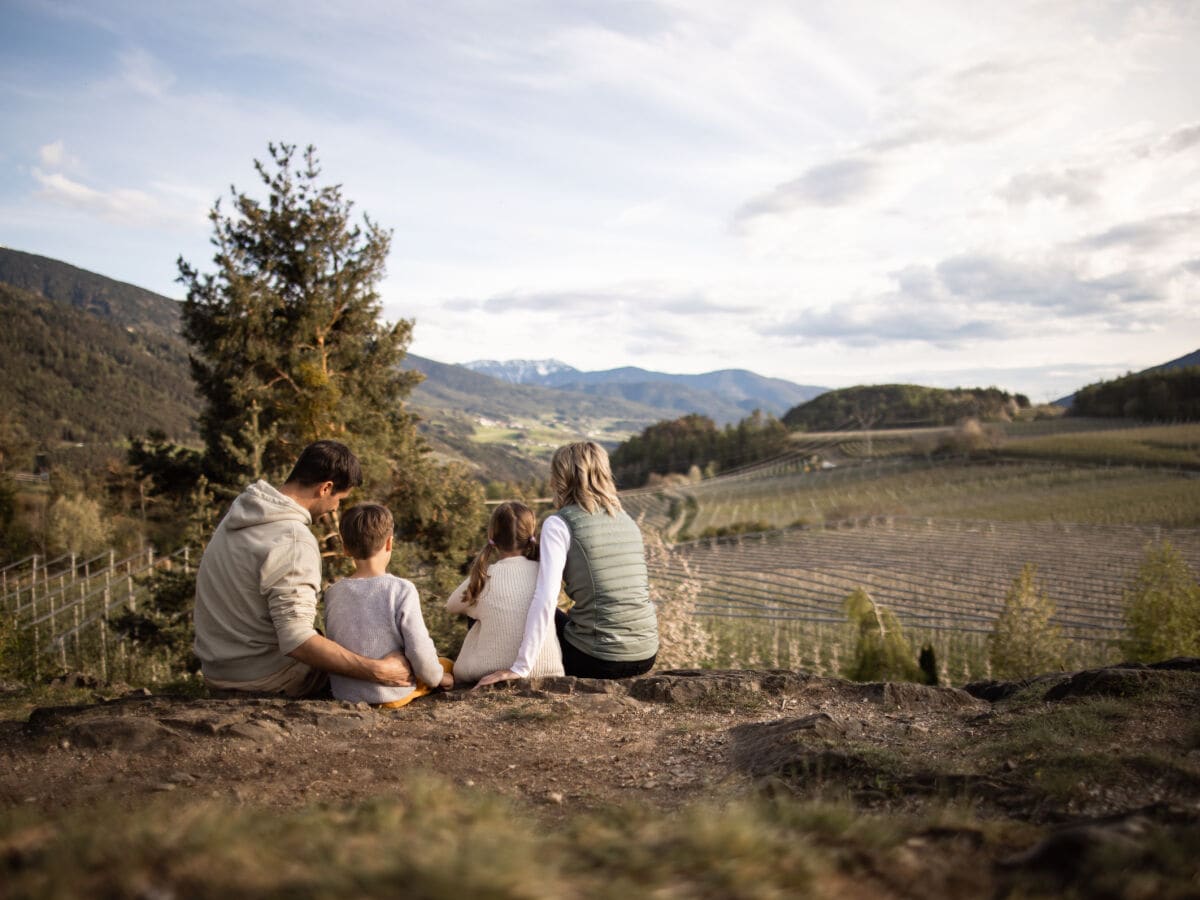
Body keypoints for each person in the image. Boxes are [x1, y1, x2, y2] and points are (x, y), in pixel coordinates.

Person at [193, 440, 413, 697]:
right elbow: (296, 640)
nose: (336, 508)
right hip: (266, 678)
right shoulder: (294, 539)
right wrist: (377, 670)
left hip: (219, 672)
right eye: (339, 499)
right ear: (326, 488)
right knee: (383, 671)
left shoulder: (241, 515)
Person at [476, 442, 658, 686]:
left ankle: (478, 664)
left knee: (510, 604)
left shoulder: (559, 524)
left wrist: (521, 667)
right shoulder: (627, 520)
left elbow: (545, 598)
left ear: (562, 477)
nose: (551, 482)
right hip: (646, 654)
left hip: (598, 659)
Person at [323, 502, 453, 707]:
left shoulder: (333, 593)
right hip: (391, 694)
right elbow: (419, 649)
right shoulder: (401, 589)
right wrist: (440, 679)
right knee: (445, 664)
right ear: (390, 543)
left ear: (345, 548)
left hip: (344, 693)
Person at [446, 501, 564, 684]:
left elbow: (451, 606)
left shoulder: (485, 577)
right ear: (531, 534)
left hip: (486, 669)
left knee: (473, 607)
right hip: (548, 669)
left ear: (492, 535)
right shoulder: (544, 573)